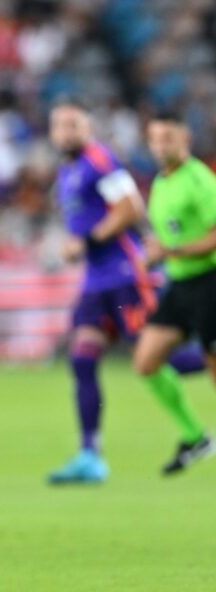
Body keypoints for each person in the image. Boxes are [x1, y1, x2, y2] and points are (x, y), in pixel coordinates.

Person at [47, 101, 208, 484]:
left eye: (74, 124)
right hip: (95, 281)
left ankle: (196, 428)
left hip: (125, 276)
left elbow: (130, 208)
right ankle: (90, 455)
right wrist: (76, 247)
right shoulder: (68, 171)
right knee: (82, 359)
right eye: (60, 125)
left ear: (89, 127)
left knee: (156, 359)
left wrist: (87, 242)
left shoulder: (100, 161)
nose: (67, 132)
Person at [133, 113, 216, 474]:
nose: (160, 145)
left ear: (186, 139)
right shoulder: (161, 181)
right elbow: (172, 233)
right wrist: (156, 255)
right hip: (180, 285)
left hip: (210, 281)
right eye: (155, 138)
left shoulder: (200, 180)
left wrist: (170, 251)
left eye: (168, 137)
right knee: (146, 361)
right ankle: (196, 436)